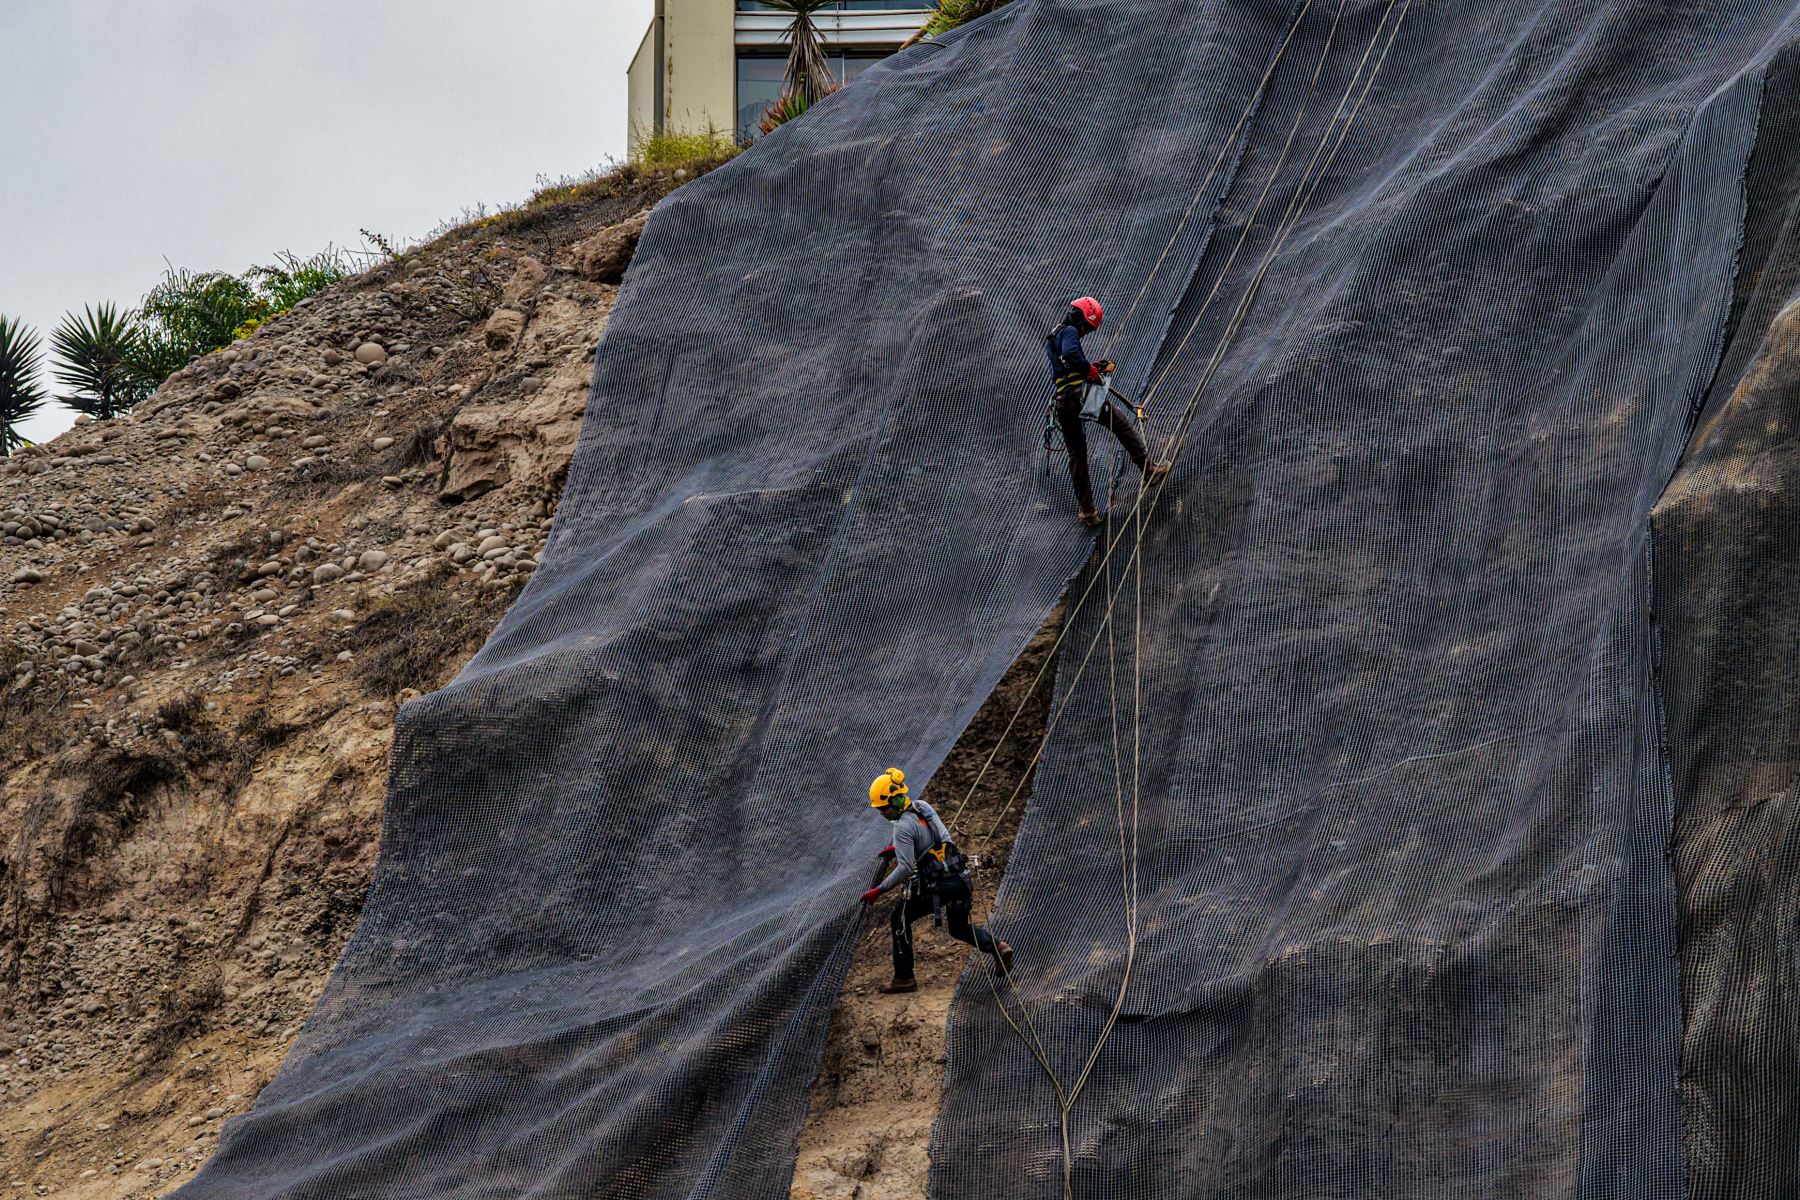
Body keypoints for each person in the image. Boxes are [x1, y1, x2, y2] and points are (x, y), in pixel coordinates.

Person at [859, 767, 1011, 993]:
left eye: (883, 808)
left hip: (936, 885)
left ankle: (904, 978)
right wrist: (900, 848)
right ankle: (998, 946)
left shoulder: (901, 827)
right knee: (958, 928)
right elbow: (938, 839)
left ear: (894, 801)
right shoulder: (922, 807)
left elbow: (905, 868)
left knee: (899, 918)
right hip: (960, 879)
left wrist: (879, 890)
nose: (881, 813)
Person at [1046, 296, 1168, 526]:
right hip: (1078, 396)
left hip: (1063, 402)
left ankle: (1087, 511)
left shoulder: (1053, 337)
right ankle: (1148, 469)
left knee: (1077, 454)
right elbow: (1072, 354)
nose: (1084, 333)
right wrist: (1088, 368)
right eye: (1086, 327)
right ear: (1078, 316)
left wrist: (1089, 366)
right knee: (1119, 423)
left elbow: (1066, 361)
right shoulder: (1070, 331)